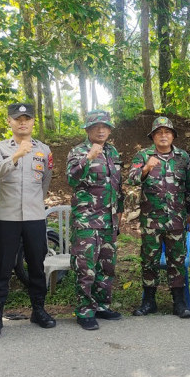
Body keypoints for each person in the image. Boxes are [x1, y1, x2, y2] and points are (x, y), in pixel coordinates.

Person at [0, 103, 55, 339]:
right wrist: (16, 155)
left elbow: (45, 180)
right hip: (8, 217)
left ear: (33, 121)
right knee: (2, 267)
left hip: (35, 217)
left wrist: (36, 203)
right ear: (9, 121)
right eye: (17, 119)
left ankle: (38, 309)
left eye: (27, 118)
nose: (22, 123)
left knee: (36, 265)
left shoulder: (44, 150)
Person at [127, 116, 190, 318]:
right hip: (151, 220)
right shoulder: (143, 155)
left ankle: (179, 302)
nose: (163, 136)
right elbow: (132, 179)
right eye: (159, 133)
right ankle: (149, 301)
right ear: (153, 136)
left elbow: (189, 187)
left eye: (167, 132)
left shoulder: (183, 157)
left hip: (177, 219)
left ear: (173, 136)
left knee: (177, 260)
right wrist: (146, 168)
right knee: (149, 260)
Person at [67, 109, 124, 331]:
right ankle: (85, 310)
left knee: (106, 266)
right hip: (86, 221)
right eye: (96, 127)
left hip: (109, 220)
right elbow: (71, 179)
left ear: (109, 130)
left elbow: (117, 185)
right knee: (85, 268)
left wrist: (119, 212)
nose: (101, 130)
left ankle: (102, 306)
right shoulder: (78, 151)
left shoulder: (113, 152)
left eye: (105, 127)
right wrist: (88, 158)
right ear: (88, 129)